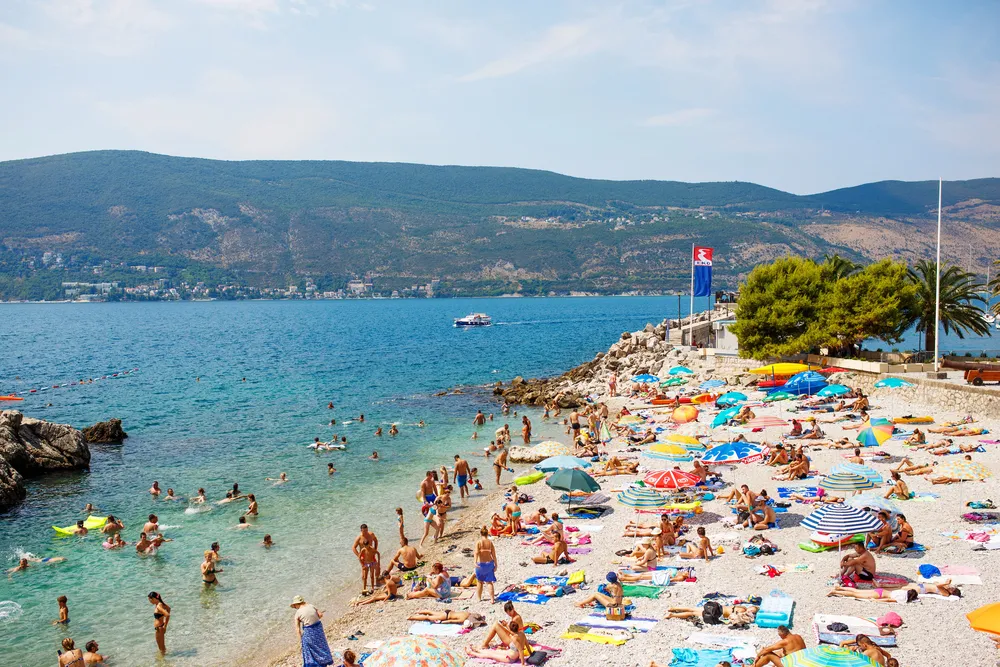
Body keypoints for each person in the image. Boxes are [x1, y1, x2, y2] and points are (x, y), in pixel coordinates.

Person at [291, 596, 334, 667]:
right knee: (321, 645)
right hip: (318, 629)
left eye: (295, 606)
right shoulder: (311, 606)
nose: (295, 607)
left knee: (307, 646)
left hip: (310, 631)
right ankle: (324, 661)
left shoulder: (298, 613)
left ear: (296, 604)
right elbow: (320, 615)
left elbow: (298, 630)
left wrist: (301, 641)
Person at [475, 527, 498, 603]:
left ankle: (479, 598)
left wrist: (474, 562)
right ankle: (492, 599)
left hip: (480, 564)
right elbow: (494, 555)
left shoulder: (479, 542)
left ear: (481, 534)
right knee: (489, 582)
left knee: (479, 581)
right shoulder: (490, 543)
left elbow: (476, 553)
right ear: (487, 534)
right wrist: (496, 565)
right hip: (489, 563)